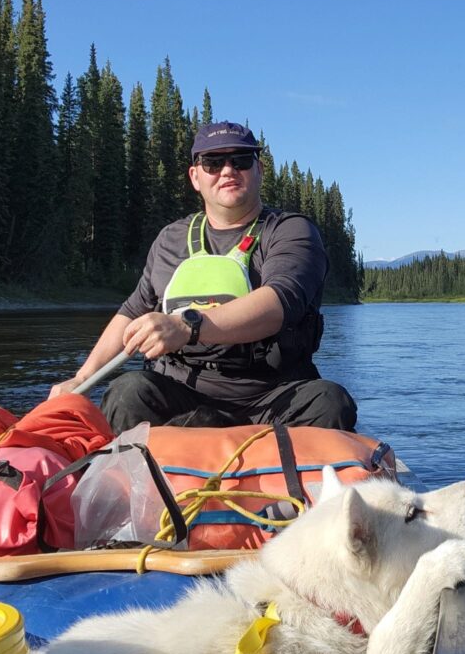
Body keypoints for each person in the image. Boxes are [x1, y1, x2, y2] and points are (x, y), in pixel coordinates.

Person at [50, 121, 357, 435]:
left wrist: (187, 327)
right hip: (184, 392)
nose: (227, 170)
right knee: (128, 391)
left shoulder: (291, 231)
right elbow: (132, 312)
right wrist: (81, 378)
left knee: (330, 401)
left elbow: (280, 301)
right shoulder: (170, 239)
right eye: (212, 162)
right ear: (195, 177)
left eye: (240, 160)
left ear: (259, 170)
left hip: (273, 395)